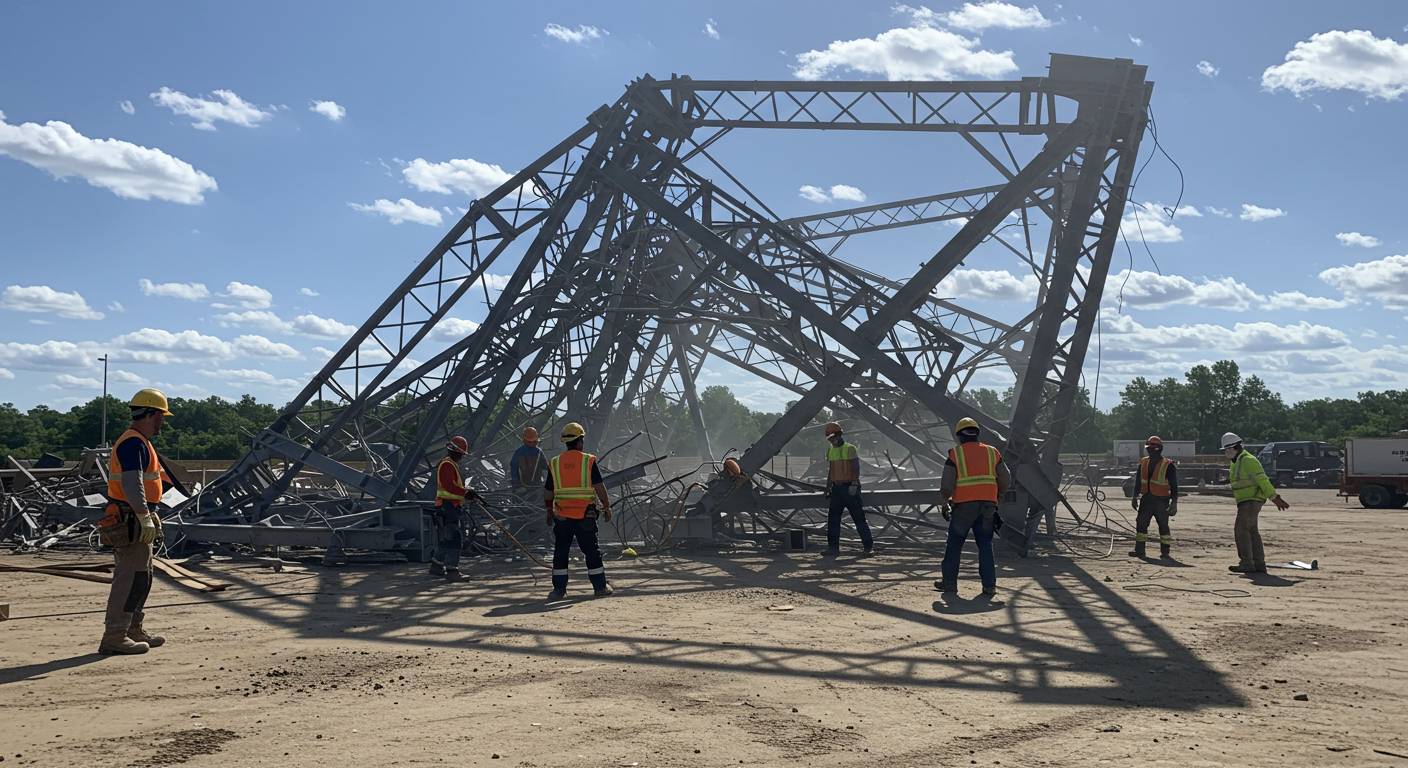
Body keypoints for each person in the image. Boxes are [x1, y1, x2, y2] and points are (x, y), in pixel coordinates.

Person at [96, 388, 172, 655]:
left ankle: (132, 629)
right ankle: (114, 635)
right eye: (161, 416)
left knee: (143, 577)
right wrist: (143, 516)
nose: (162, 422)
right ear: (150, 414)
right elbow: (132, 482)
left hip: (137, 517)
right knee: (129, 577)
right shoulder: (133, 443)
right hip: (130, 518)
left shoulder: (140, 441)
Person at [935, 416, 1010, 598]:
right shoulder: (993, 452)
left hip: (963, 507)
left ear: (960, 437)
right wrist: (997, 497)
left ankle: (950, 584)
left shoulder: (955, 454)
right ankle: (989, 586)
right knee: (985, 544)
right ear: (977, 434)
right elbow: (1005, 478)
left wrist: (944, 502)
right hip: (987, 506)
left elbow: (947, 485)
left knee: (954, 544)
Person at [544, 422, 612, 599]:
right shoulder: (588, 461)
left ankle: (559, 590)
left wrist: (549, 511)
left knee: (561, 552)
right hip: (585, 515)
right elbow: (599, 486)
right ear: (580, 441)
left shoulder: (555, 463)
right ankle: (600, 587)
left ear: (566, 442)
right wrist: (606, 506)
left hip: (562, 516)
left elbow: (548, 491)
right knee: (591, 551)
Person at [1221, 432, 1289, 574]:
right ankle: (1259, 564)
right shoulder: (1237, 461)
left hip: (1251, 501)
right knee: (1251, 531)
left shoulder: (1247, 460)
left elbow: (1262, 480)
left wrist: (1275, 497)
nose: (1226, 453)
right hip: (1246, 501)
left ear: (1236, 447)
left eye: (1228, 449)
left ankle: (1247, 563)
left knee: (1241, 531)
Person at [431, 436, 482, 581]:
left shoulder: (450, 463)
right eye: (460, 453)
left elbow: (453, 486)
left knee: (447, 538)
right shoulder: (447, 464)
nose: (461, 456)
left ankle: (436, 565)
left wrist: (466, 492)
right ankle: (452, 571)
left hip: (448, 506)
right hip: (448, 507)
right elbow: (449, 487)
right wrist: (465, 492)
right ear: (454, 451)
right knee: (455, 539)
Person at [822, 421, 874, 556]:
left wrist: (854, 484)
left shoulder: (850, 448)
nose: (831, 441)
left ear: (838, 435)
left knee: (859, 519)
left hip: (850, 488)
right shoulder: (830, 450)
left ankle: (868, 548)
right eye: (829, 439)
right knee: (833, 520)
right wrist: (828, 487)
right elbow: (831, 470)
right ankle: (833, 548)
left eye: (832, 438)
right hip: (837, 489)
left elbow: (856, 468)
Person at [1129, 436, 1179, 559]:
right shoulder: (1143, 462)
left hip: (1161, 500)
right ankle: (1140, 550)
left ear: (1160, 449)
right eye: (1150, 448)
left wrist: (1174, 502)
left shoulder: (1168, 465)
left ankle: (1165, 552)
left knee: (1163, 525)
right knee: (1141, 524)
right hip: (1146, 499)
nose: (1152, 450)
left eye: (1154, 448)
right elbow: (1138, 481)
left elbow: (1174, 485)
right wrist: (1134, 496)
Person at [509, 426, 547, 499]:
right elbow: (514, 469)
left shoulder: (539, 452)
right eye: (530, 441)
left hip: (536, 485)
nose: (532, 443)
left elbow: (546, 466)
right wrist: (517, 485)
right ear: (525, 440)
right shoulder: (519, 452)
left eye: (534, 441)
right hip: (523, 486)